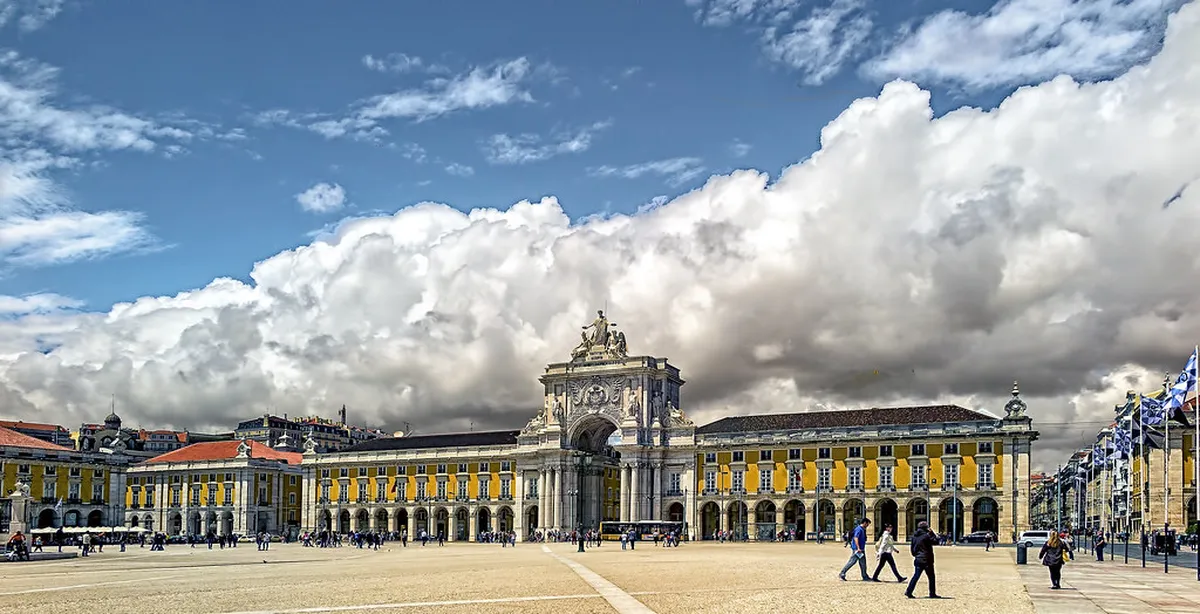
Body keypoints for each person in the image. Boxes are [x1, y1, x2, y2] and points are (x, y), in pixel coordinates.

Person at [905, 521, 943, 599]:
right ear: (925, 528)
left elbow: (912, 549)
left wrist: (916, 555)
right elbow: (936, 542)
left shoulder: (914, 537)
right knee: (931, 577)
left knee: (916, 576)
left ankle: (909, 591)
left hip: (918, 559)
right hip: (927, 559)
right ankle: (932, 593)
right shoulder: (926, 536)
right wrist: (932, 533)